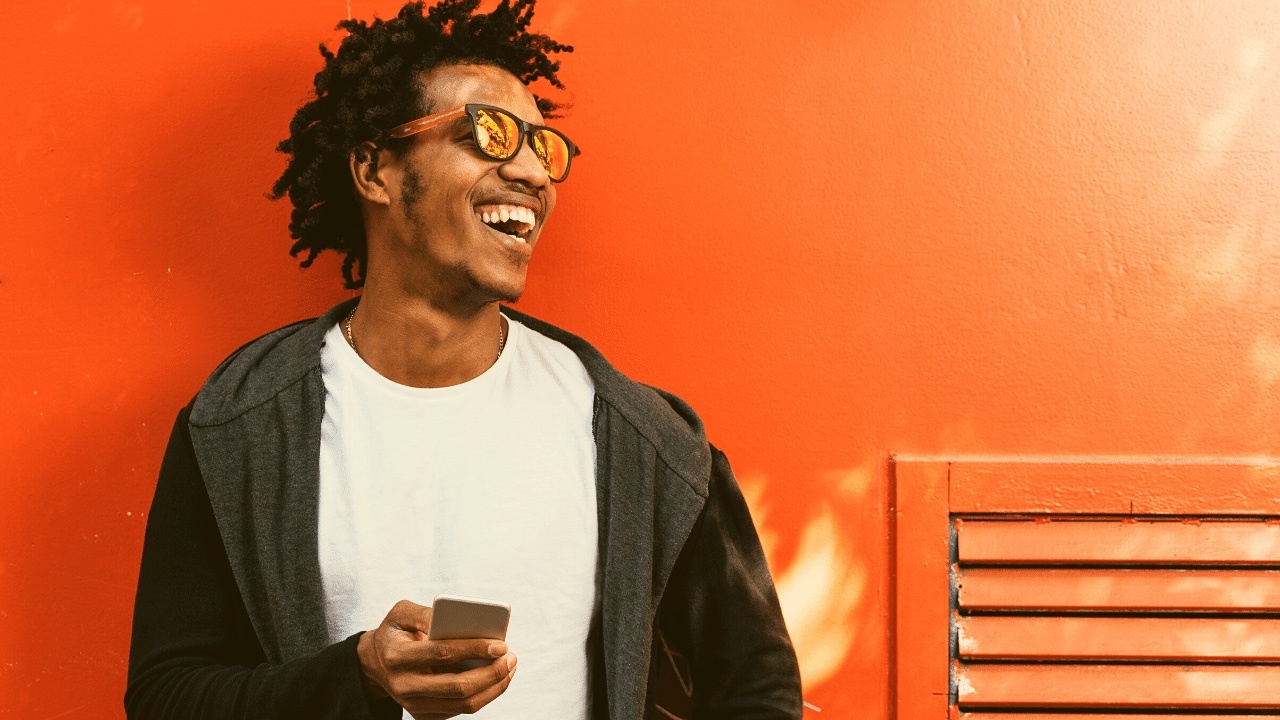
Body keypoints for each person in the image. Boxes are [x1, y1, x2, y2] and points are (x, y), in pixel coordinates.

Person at [124, 1, 802, 718]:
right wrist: (357, 677)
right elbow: (167, 696)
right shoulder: (239, 425)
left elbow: (759, 689)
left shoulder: (640, 438)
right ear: (375, 170)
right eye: (490, 132)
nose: (533, 173)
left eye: (545, 149)